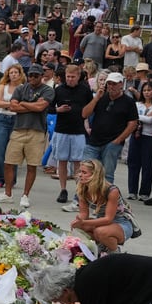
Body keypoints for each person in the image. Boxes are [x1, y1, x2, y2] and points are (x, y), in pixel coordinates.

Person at [0, 64, 54, 209]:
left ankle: (25, 195)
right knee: (9, 162)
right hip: (19, 129)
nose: (33, 78)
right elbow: (13, 106)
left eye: (36, 75)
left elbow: (41, 107)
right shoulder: (21, 88)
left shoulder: (48, 90)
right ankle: (8, 194)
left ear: (42, 76)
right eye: (31, 75)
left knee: (32, 165)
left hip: (37, 131)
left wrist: (24, 104)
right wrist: (32, 105)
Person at [82, 71, 138, 184]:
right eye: (109, 83)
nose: (111, 86)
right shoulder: (100, 97)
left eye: (114, 83)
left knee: (107, 174)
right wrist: (96, 98)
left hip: (112, 143)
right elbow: (84, 114)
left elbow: (133, 123)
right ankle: (80, 198)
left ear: (121, 84)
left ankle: (105, 199)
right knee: (86, 170)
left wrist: (118, 140)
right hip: (94, 141)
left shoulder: (129, 101)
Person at [51, 64, 93, 204]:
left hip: (78, 130)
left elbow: (89, 108)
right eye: (68, 77)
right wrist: (58, 110)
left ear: (78, 76)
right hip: (62, 129)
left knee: (78, 162)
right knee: (62, 161)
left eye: (73, 77)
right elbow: (49, 107)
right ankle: (63, 189)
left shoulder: (85, 90)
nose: (70, 79)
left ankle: (79, 190)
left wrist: (87, 125)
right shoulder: (59, 89)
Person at [0, 64, 23, 188]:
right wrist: (11, 105)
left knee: (13, 151)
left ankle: (11, 179)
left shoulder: (22, 88)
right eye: (11, 72)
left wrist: (11, 105)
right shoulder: (3, 87)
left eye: (16, 72)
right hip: (3, 118)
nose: (13, 74)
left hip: (17, 119)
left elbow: (22, 105)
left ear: (20, 74)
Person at [129, 81, 152, 201]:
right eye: (145, 90)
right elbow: (132, 117)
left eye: (149, 90)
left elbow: (151, 120)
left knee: (147, 164)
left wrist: (138, 117)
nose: (147, 93)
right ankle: (132, 191)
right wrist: (140, 118)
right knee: (133, 163)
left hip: (149, 136)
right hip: (136, 135)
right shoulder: (137, 104)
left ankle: (145, 192)